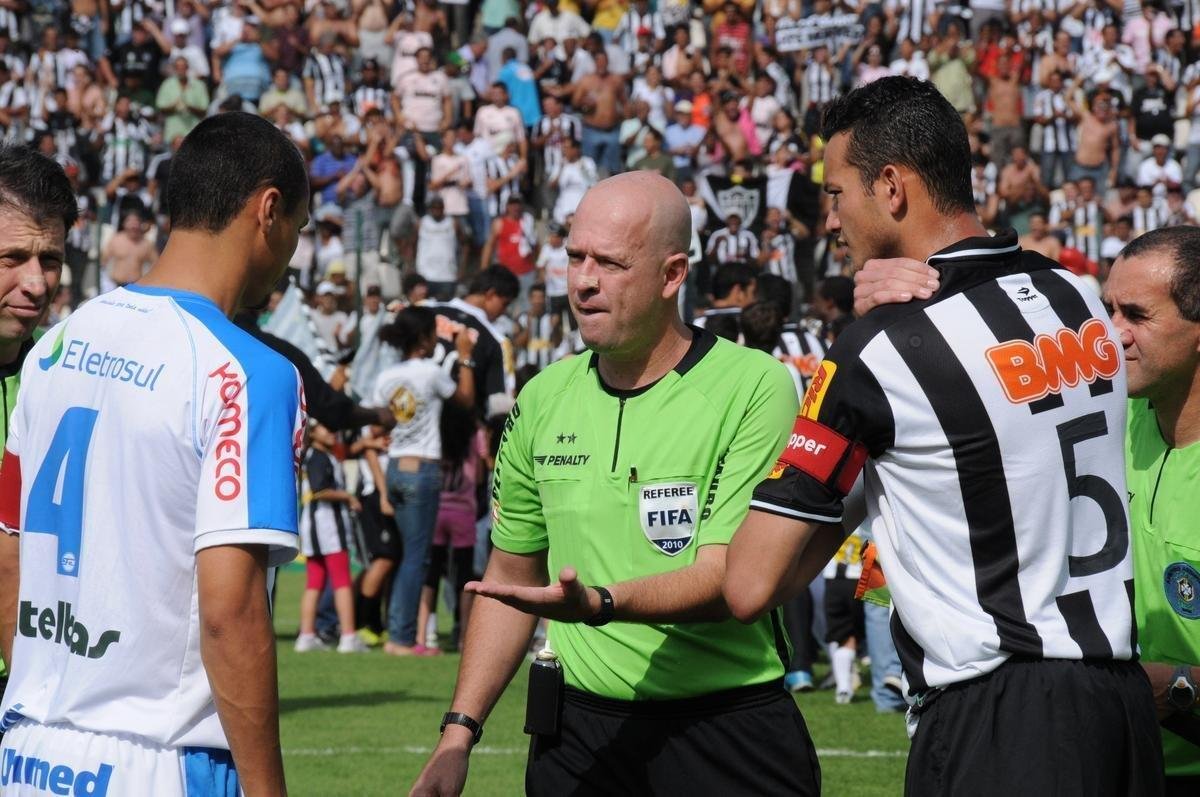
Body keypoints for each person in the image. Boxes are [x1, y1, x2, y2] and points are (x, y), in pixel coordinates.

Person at [724, 77, 1162, 796]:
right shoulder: (1075, 296)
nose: (828, 220)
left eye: (837, 194)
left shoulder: (879, 351)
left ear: (891, 187)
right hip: (1119, 702)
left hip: (998, 717)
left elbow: (750, 583)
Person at [411, 171, 818, 797]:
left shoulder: (752, 386)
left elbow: (731, 575)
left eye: (611, 263)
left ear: (672, 275)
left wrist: (600, 604)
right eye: (575, 257)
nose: (584, 281)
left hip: (725, 730)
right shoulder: (543, 397)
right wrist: (457, 735)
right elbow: (511, 580)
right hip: (577, 736)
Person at [0, 112, 309, 794]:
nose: (292, 251)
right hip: (161, 759)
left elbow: (9, 554)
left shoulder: (53, 348)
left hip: (26, 750)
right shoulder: (250, 374)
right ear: (269, 210)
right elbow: (231, 614)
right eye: (298, 229)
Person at [1105, 227, 1200, 794]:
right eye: (1107, 309)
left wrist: (1179, 685)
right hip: (1118, 765)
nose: (1112, 334)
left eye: (1136, 315)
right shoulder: (1107, 424)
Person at [0, 146, 76, 703]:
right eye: (12, 258)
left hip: (36, 688)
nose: (35, 282)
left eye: (49, 259)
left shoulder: (65, 376)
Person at [373, 306, 475, 656]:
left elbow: (379, 426)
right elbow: (465, 399)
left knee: (406, 556)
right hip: (423, 469)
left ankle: (398, 631)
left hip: (396, 467)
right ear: (423, 338)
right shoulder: (432, 373)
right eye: (433, 334)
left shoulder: (386, 376)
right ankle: (401, 638)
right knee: (417, 557)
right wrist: (464, 357)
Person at [296, 421, 370, 654]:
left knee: (315, 582)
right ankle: (348, 636)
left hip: (313, 526)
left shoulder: (317, 454)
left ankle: (307, 635)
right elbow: (320, 489)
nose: (332, 430)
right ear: (314, 432)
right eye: (326, 427)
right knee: (341, 581)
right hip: (328, 526)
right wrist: (348, 497)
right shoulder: (319, 456)